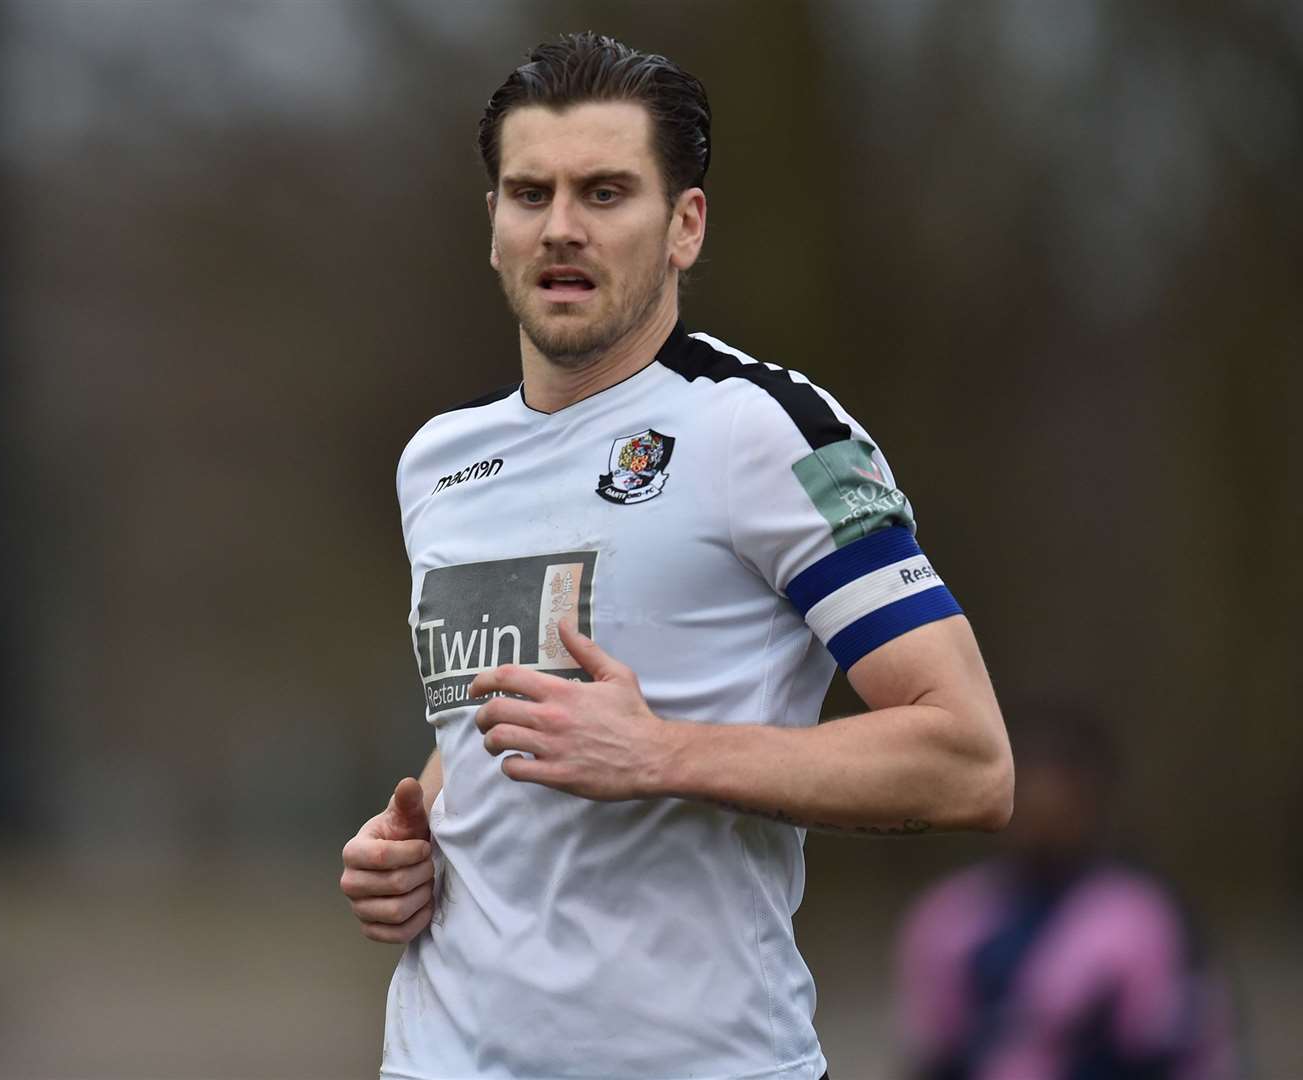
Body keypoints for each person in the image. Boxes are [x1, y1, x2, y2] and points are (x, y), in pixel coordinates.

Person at [339, 32, 1014, 1080]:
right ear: (493, 225)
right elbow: (491, 726)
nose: (561, 228)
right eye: (530, 194)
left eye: (606, 193)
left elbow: (970, 760)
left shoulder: (767, 432)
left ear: (684, 225)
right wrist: (414, 848)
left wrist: (665, 755)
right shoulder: (437, 461)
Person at [894, 706, 1240, 1079]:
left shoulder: (1146, 920)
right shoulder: (952, 916)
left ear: (1094, 805)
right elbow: (933, 1054)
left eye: (1059, 806)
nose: (1041, 823)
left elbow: (1184, 1054)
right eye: (1028, 801)